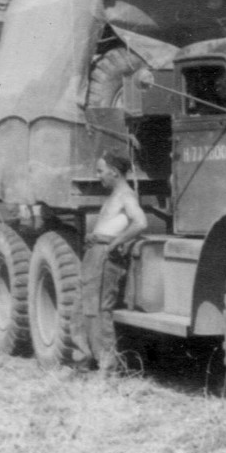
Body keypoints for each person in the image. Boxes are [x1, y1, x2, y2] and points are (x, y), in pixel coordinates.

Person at [74, 151, 147, 373]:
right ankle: (83, 363)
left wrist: (116, 243)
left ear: (114, 172)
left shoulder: (126, 195)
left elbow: (140, 223)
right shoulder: (116, 194)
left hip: (104, 255)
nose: (98, 176)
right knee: (80, 309)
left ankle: (107, 368)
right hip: (94, 253)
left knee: (97, 310)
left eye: (100, 171)